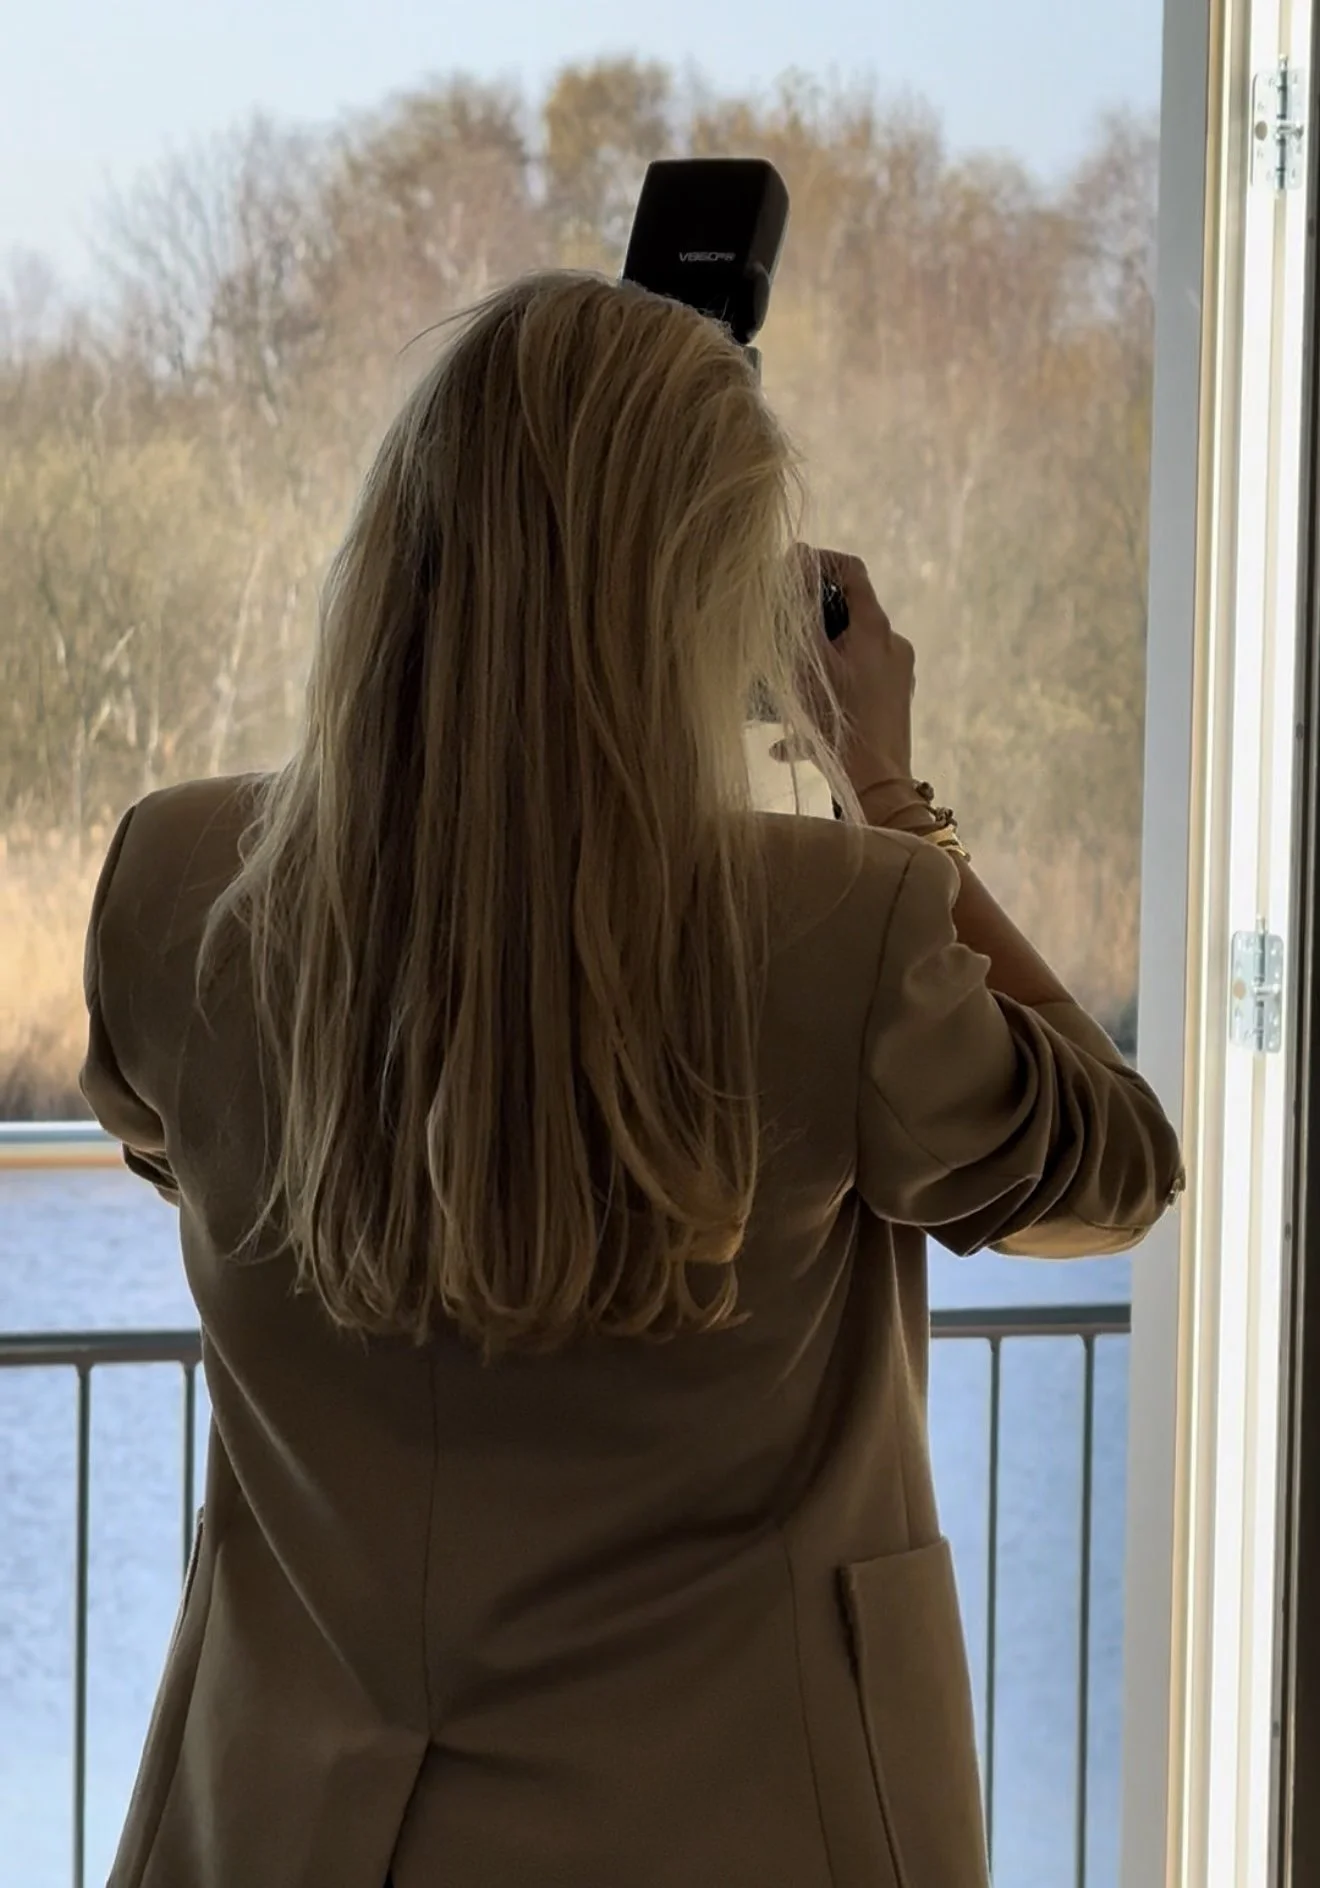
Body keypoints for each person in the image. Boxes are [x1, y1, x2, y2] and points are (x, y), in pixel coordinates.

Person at [80, 270, 1183, 1888]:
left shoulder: (181, 889)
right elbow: (1118, 1165)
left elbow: (195, 1158)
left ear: (397, 562)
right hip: (738, 1829)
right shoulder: (835, 933)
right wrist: (887, 786)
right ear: (708, 602)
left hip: (288, 1828)